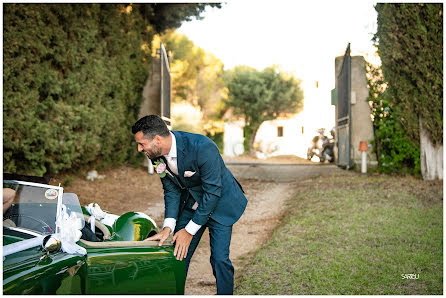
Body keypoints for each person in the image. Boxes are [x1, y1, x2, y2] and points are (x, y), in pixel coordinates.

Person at [132, 115, 247, 295]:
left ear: (157, 139)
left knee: (219, 259)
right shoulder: (155, 154)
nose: (139, 149)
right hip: (191, 203)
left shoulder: (203, 147)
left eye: (141, 144)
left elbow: (212, 192)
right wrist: (167, 227)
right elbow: (171, 190)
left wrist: (188, 231)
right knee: (177, 255)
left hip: (220, 204)